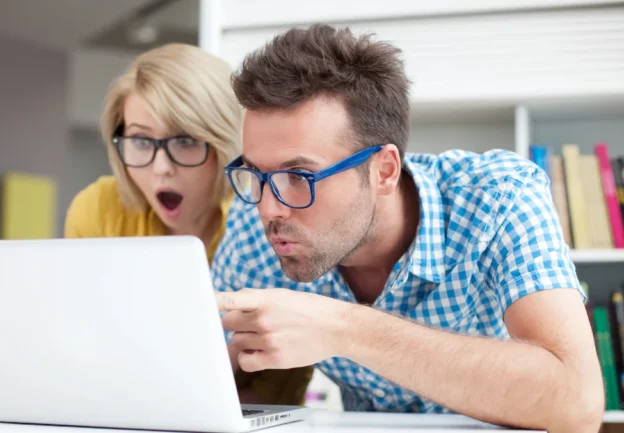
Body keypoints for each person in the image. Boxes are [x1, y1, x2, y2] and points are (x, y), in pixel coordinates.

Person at [212, 25, 603, 433]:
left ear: (384, 170)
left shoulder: (498, 196)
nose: (268, 207)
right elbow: (215, 387)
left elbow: (579, 404)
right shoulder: (252, 229)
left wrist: (342, 327)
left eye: (299, 176)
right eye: (256, 175)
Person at [63, 43, 313, 406]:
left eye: (184, 141)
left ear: (223, 143)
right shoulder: (98, 210)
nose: (160, 167)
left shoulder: (264, 225)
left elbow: (273, 383)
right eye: (141, 140)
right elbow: (84, 342)